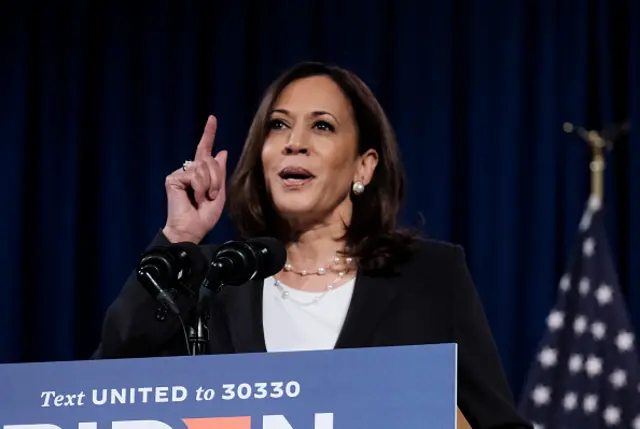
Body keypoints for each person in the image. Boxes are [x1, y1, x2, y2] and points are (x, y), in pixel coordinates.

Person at [93, 61, 532, 429]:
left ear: (364, 167)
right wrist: (180, 238)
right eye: (278, 125)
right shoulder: (217, 277)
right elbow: (103, 390)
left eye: (322, 126)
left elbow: (498, 422)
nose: (293, 142)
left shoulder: (430, 276)